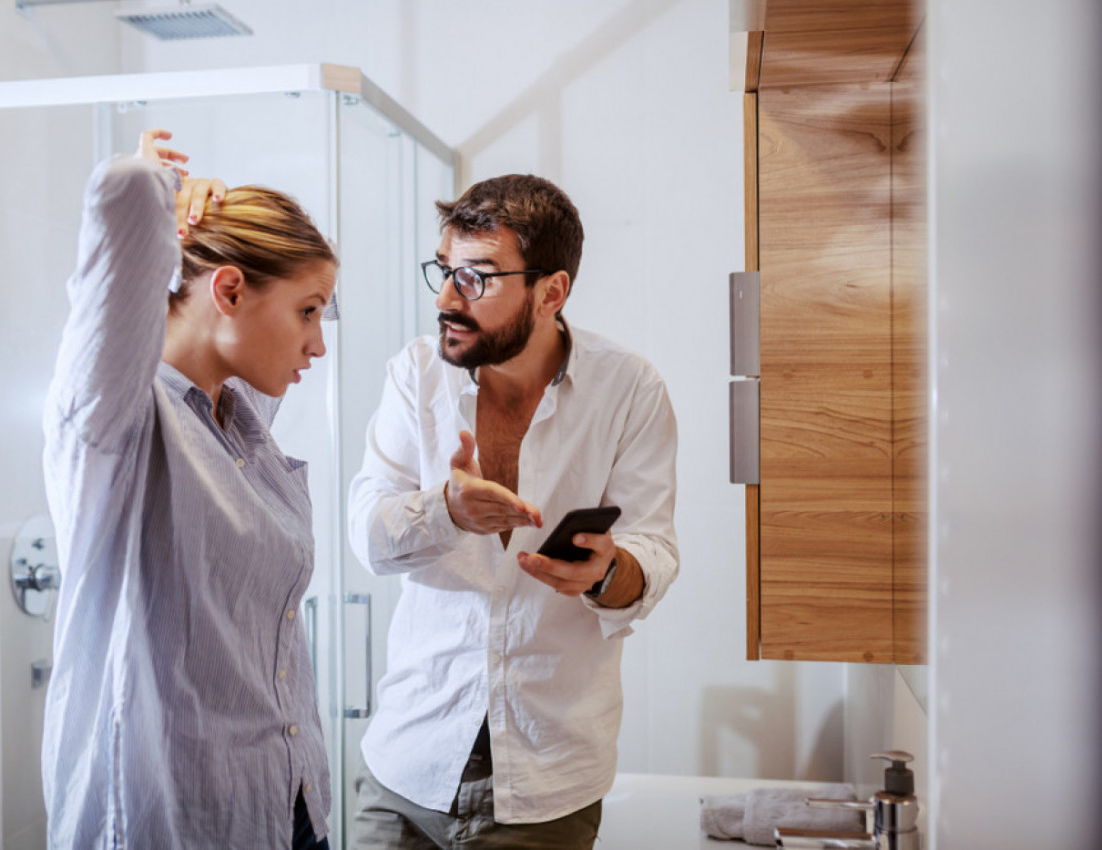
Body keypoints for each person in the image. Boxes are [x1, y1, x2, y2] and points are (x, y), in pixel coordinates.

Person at [347, 173, 679, 848]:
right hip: (407, 767)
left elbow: (654, 549)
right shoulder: (415, 375)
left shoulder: (629, 389)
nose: (445, 298)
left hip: (548, 779)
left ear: (550, 291)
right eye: (443, 272)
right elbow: (367, 538)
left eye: (475, 278)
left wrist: (608, 573)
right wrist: (445, 511)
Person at [41, 129, 335, 849]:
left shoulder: (240, 422)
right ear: (228, 289)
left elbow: (266, 301)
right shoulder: (119, 426)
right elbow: (118, 201)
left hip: (288, 806)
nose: (319, 342)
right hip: (175, 821)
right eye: (308, 312)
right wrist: (155, 187)